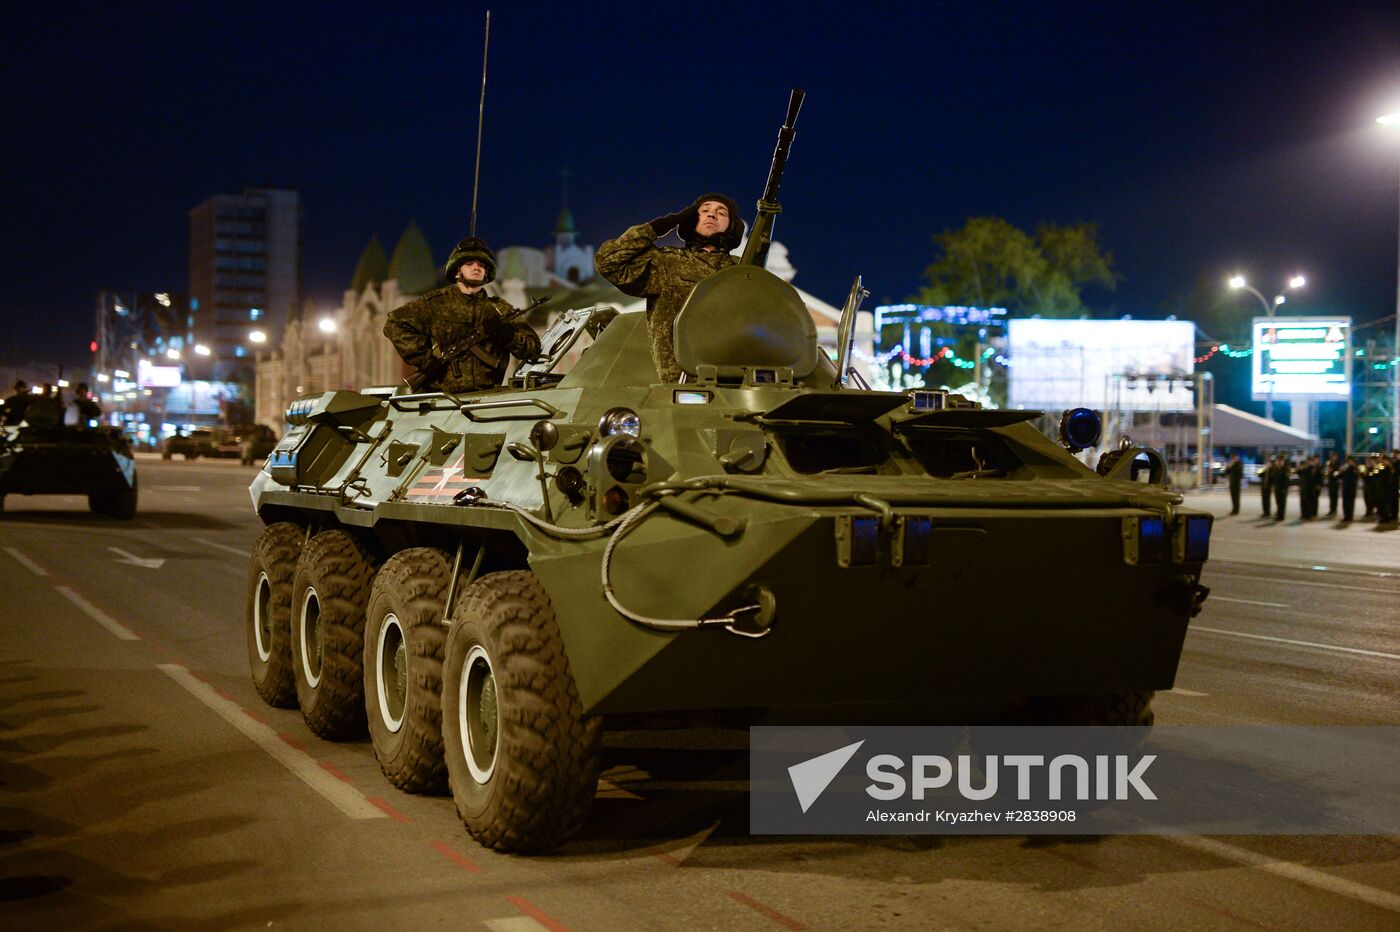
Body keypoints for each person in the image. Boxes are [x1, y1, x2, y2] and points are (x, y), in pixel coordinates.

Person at [594, 193, 746, 382]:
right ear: (690, 220)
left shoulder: (743, 271)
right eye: (704, 211)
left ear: (732, 226)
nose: (712, 215)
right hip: (680, 381)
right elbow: (607, 261)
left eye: (721, 213)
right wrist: (660, 226)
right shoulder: (667, 263)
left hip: (737, 378)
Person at [384, 237, 540, 394]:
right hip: (442, 398)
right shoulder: (436, 304)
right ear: (457, 270)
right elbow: (394, 324)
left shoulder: (500, 310)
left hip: (488, 397)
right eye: (469, 264)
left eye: (481, 265)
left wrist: (508, 336)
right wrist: (426, 359)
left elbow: (533, 349)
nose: (476, 267)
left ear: (486, 272)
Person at [1340, 455, 1359, 523]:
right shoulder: (1345, 468)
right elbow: (1340, 476)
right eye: (1348, 461)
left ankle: (1350, 516)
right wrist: (1341, 471)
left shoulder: (1355, 468)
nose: (1349, 462)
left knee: (1351, 503)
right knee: (1345, 503)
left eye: (1351, 461)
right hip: (1345, 488)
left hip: (1352, 488)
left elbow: (1356, 477)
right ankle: (1346, 516)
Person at [1272, 454, 1290, 521]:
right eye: (1278, 461)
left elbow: (1287, 481)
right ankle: (1278, 515)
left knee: (1282, 503)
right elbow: (1274, 478)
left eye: (1281, 461)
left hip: (1283, 489)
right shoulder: (1276, 469)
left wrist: (1284, 489)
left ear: (1283, 462)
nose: (1279, 462)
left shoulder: (1285, 469)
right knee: (1278, 502)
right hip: (1277, 488)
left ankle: (1281, 517)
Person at [1324, 452, 1340, 517]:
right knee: (1331, 496)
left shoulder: (1337, 463)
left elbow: (1337, 473)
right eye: (1331, 457)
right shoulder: (1329, 463)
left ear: (1336, 457)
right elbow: (1327, 471)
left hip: (1335, 482)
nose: (1332, 458)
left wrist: (1333, 472)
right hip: (1330, 482)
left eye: (1333, 456)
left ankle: (1334, 510)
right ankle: (1331, 510)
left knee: (1335, 497)